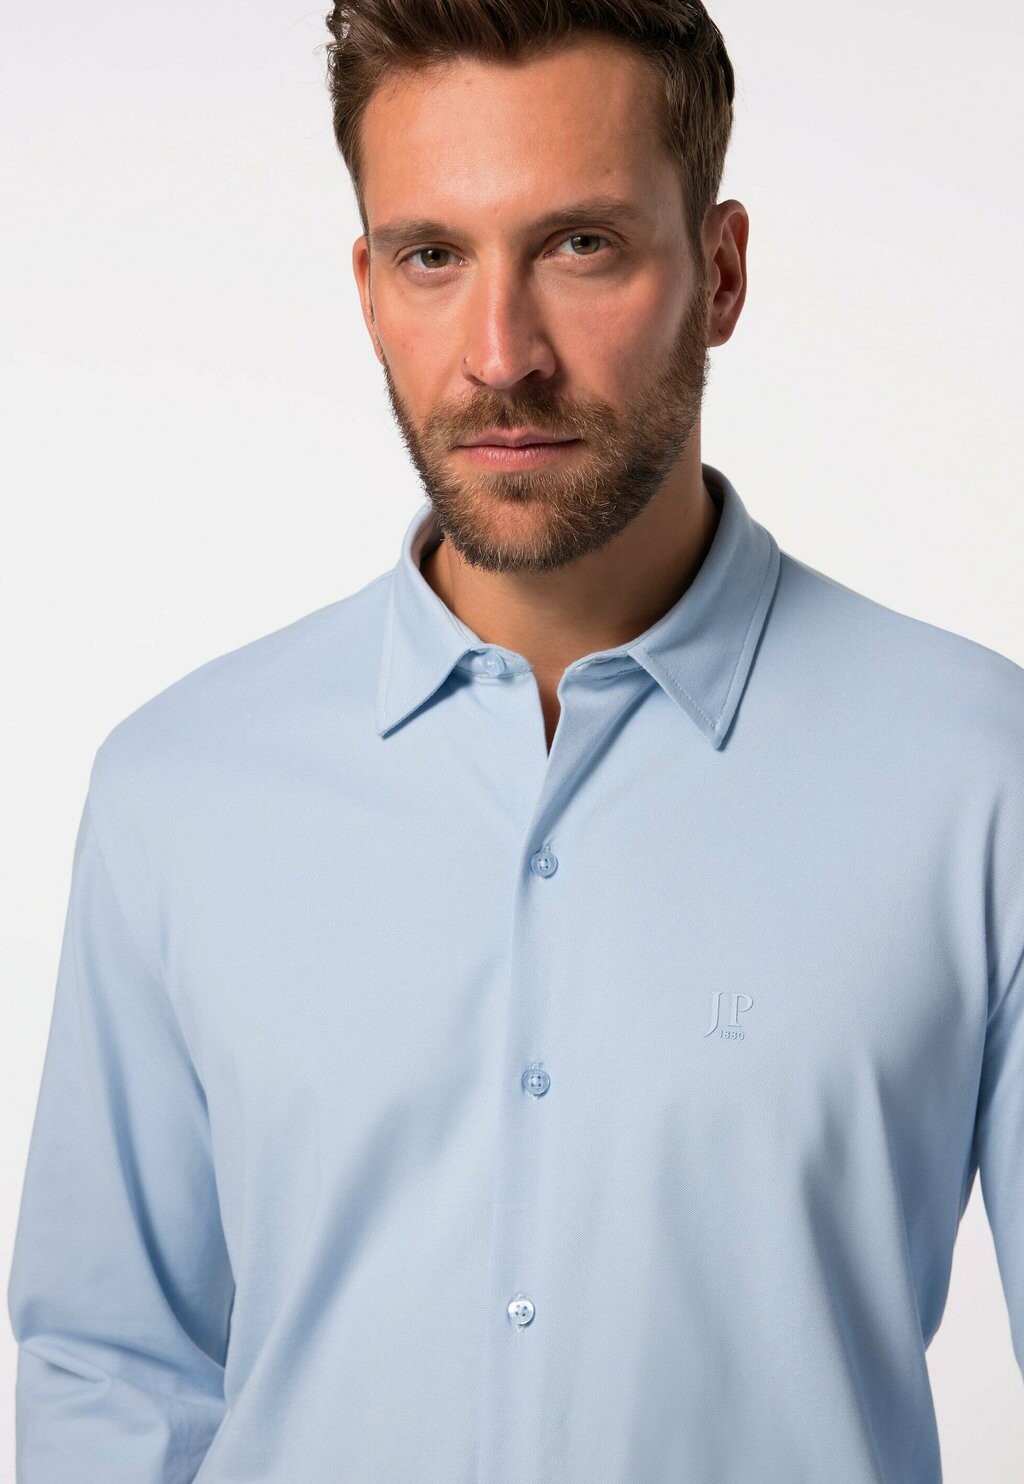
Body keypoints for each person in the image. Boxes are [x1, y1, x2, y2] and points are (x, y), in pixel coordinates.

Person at [7, 1, 1023, 1479]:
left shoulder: (982, 776)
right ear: (370, 287)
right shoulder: (178, 791)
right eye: (433, 255)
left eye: (580, 246)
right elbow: (111, 1370)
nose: (500, 355)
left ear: (722, 273)